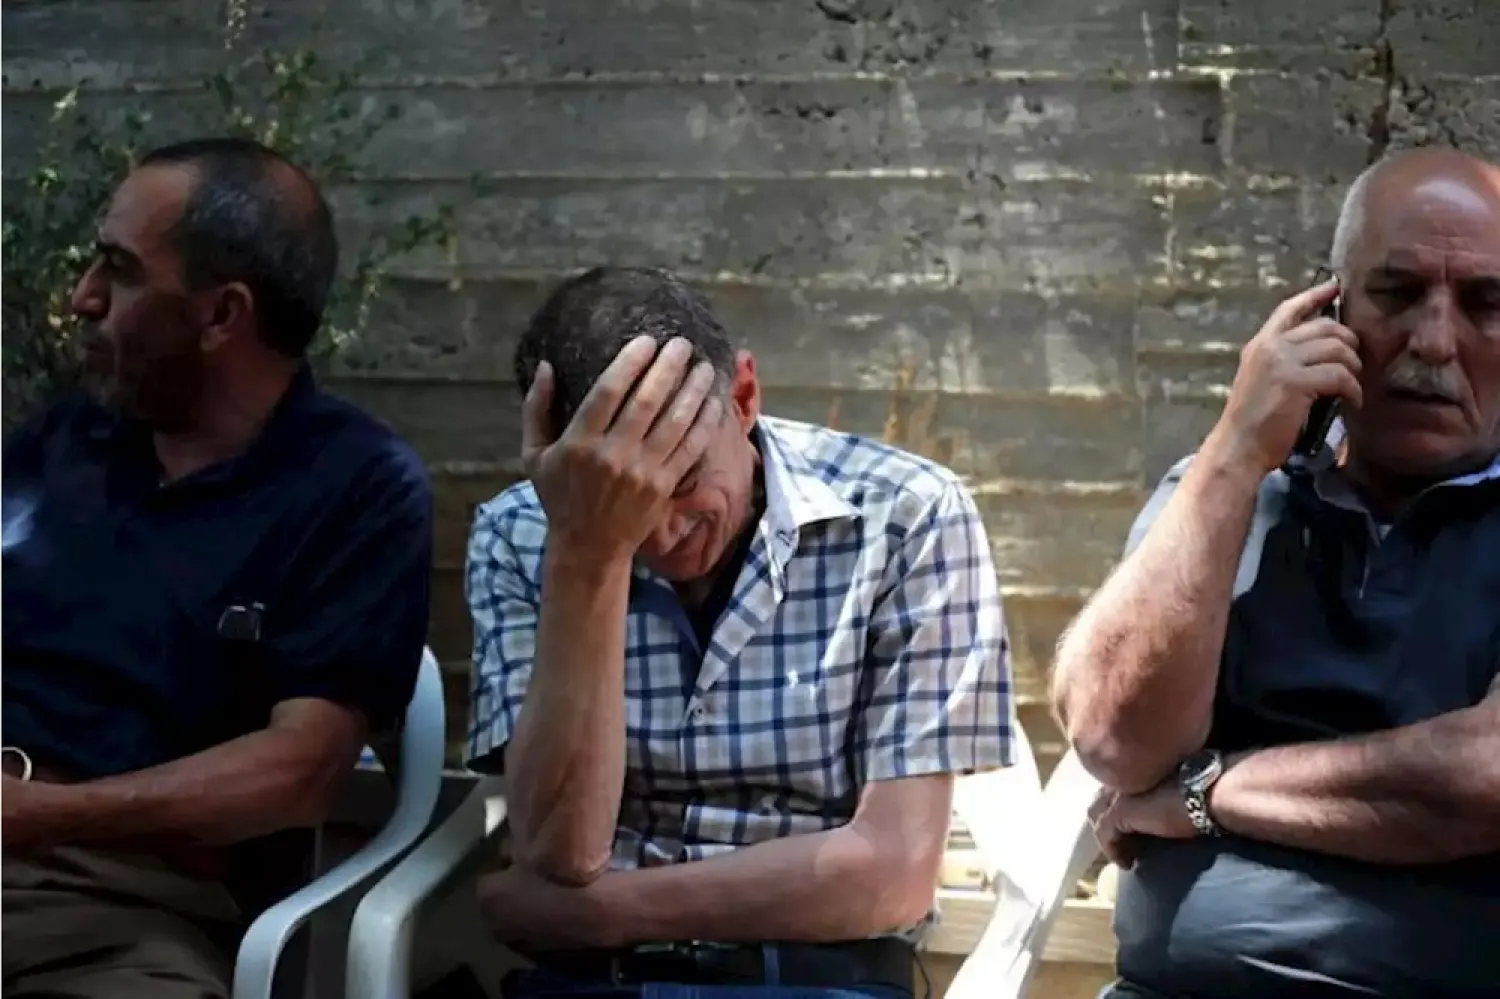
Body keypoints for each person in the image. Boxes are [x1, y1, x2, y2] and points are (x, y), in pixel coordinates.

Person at [464, 266, 1015, 997]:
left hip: (818, 978)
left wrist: (594, 915)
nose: (659, 530)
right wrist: (589, 552)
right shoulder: (518, 534)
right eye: (623, 495)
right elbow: (560, 850)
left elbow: (892, 874)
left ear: (744, 398)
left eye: (683, 479)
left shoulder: (909, 514)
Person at [1051, 146, 1500, 999]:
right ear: (1327, 306)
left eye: (1488, 304)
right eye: (1396, 293)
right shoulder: (1229, 491)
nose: (1434, 342)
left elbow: (1482, 780)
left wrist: (1208, 790)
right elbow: (1114, 737)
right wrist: (1233, 452)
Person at [2, 137, 434, 999]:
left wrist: (34, 816)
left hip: (121, 912)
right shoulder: (62, 442)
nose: (83, 298)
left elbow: (299, 772)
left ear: (221, 314)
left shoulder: (356, 489)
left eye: (119, 272)